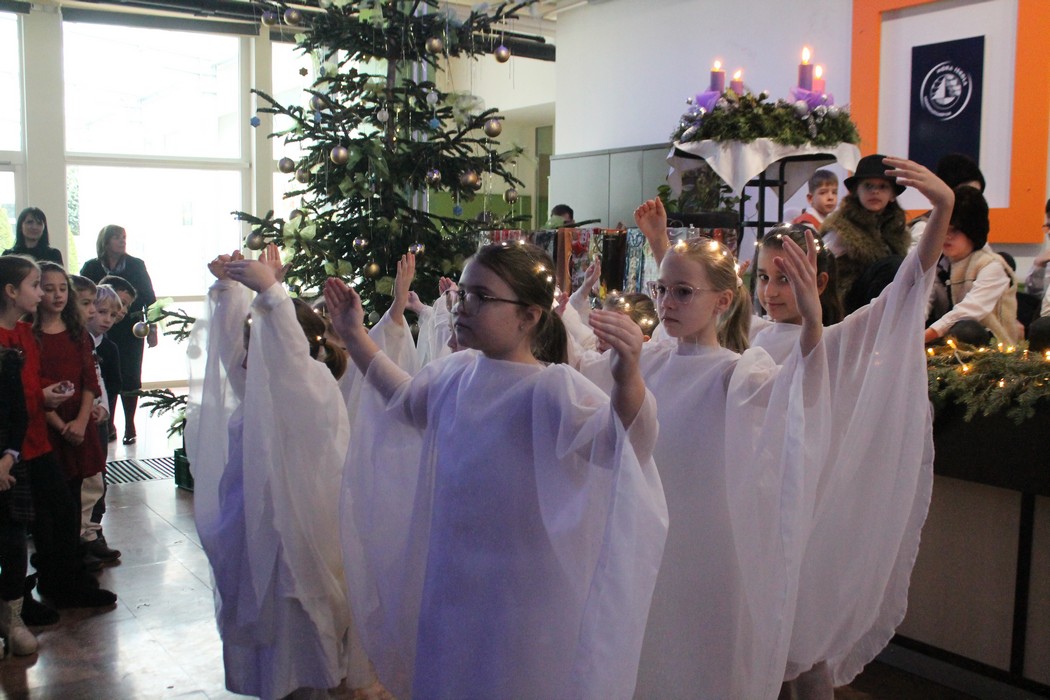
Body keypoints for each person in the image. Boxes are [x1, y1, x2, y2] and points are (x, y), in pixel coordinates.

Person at [327, 243, 668, 699]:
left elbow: (622, 444)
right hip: (451, 582)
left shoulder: (551, 388)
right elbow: (404, 399)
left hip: (520, 599)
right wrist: (353, 334)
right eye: (461, 293)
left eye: (481, 297)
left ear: (528, 316)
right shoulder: (455, 374)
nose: (462, 307)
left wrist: (628, 378)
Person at [585, 206, 828, 698]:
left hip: (708, 543)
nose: (666, 303)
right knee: (649, 648)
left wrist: (812, 322)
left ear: (723, 301)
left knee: (698, 654)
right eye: (662, 290)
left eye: (682, 293)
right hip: (650, 531)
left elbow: (800, 394)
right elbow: (583, 390)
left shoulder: (736, 372)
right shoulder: (650, 359)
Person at [751, 158, 953, 699]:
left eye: (786, 278)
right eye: (765, 278)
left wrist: (943, 210)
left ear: (818, 281)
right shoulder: (751, 334)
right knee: (763, 642)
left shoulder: (837, 341)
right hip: (758, 506)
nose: (772, 291)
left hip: (805, 513)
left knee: (802, 645)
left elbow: (905, 291)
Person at [188, 245, 386, 700]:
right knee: (270, 627)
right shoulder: (256, 384)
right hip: (258, 527)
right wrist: (230, 289)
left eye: (258, 341)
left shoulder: (309, 381)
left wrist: (272, 293)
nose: (247, 355)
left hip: (297, 534)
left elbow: (288, 353)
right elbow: (231, 349)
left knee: (297, 622)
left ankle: (305, 684)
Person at [0, 255, 117, 610]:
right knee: (24, 524)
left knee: (63, 511)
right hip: (19, 443)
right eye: (37, 286)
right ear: (11, 291)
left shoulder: (25, 333)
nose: (44, 295)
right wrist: (46, 402)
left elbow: (71, 380)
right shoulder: (21, 334)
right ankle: (22, 600)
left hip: (35, 439)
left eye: (55, 288)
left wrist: (76, 411)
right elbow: (19, 394)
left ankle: (61, 582)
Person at [33, 264, 107, 539]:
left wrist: (81, 421)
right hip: (49, 423)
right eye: (49, 289)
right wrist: (62, 426)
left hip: (78, 420)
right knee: (50, 501)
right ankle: (54, 558)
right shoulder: (30, 333)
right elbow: (32, 385)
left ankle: (77, 550)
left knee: (77, 493)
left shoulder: (77, 332)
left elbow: (89, 381)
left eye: (63, 289)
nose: (57, 295)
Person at [80, 225, 157, 445]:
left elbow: (150, 299)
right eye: (116, 237)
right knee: (106, 374)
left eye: (124, 237)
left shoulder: (136, 265)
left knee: (131, 376)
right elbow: (82, 295)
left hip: (131, 329)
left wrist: (152, 328)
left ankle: (130, 424)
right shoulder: (91, 266)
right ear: (105, 241)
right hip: (101, 328)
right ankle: (109, 422)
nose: (122, 241)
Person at [924, 187, 1019, 345]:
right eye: (943, 228)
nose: (946, 236)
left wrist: (927, 335)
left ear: (972, 231)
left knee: (967, 330)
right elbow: (924, 301)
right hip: (945, 340)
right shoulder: (938, 264)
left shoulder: (992, 265)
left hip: (993, 347)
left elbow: (970, 309)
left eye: (955, 230)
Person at [821, 154, 910, 313]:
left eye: (883, 187)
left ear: (892, 195)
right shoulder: (841, 228)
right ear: (856, 191)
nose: (875, 191)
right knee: (893, 265)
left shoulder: (897, 229)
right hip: (846, 305)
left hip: (885, 303)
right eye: (868, 186)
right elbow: (818, 264)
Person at [0, 344, 36, 655]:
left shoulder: (7, 361)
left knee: (13, 541)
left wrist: (6, 460)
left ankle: (11, 617)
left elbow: (18, 418)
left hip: (6, 464)